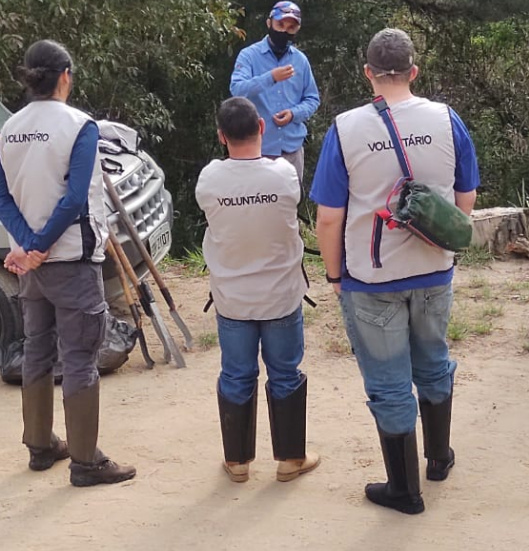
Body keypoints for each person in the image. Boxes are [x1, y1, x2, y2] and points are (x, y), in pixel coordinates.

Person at [311, 28, 479, 515]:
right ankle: (440, 456)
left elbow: (329, 216)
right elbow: (465, 195)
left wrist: (335, 275)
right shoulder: (448, 121)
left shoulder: (345, 129)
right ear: (414, 71)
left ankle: (404, 490)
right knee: (433, 361)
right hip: (434, 270)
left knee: (388, 382)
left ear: (368, 74)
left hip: (372, 277)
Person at [0, 40, 136, 487]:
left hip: (28, 264)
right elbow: (75, 198)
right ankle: (86, 461)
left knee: (37, 347)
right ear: (65, 75)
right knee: (78, 356)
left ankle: (40, 444)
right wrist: (44, 244)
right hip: (71, 258)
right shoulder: (80, 126)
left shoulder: (9, 127)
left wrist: (30, 246)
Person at [196, 97, 319, 483]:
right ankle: (289, 459)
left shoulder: (209, 180)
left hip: (232, 297)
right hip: (281, 295)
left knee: (236, 375)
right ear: (262, 128)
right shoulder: (283, 175)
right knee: (285, 373)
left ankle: (237, 462)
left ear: (221, 136)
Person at [230, 1, 320, 187]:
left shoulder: (300, 60)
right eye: (280, 25)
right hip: (257, 151)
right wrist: (270, 77)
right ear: (269, 23)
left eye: (291, 28)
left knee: (290, 206)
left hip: (291, 150)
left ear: (297, 29)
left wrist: (294, 113)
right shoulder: (249, 56)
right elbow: (237, 89)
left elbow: (312, 98)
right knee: (257, 207)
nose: (284, 32)